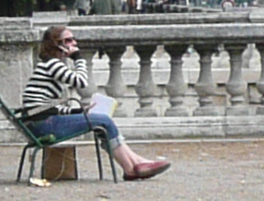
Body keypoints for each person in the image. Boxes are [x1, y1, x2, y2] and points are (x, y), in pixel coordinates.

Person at [22, 23, 172, 181]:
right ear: (56, 44)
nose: (74, 44)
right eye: (68, 41)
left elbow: (47, 106)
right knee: (104, 120)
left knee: (101, 120)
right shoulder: (53, 64)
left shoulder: (48, 64)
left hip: (42, 122)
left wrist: (77, 111)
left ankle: (136, 163)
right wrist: (78, 58)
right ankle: (133, 166)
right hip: (44, 125)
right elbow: (81, 82)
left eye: (73, 40)